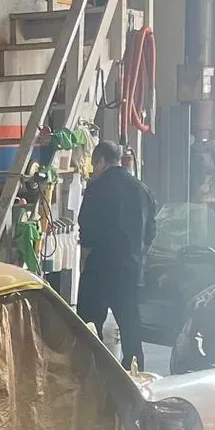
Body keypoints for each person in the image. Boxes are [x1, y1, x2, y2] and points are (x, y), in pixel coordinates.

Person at [76, 140, 158, 370]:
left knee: (90, 325)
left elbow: (87, 229)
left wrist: (85, 261)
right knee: (131, 326)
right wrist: (138, 255)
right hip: (130, 270)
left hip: (100, 268)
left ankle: (94, 371)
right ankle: (134, 373)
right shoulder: (141, 189)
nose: (94, 169)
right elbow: (151, 231)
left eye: (94, 164)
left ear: (101, 161)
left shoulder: (96, 188)